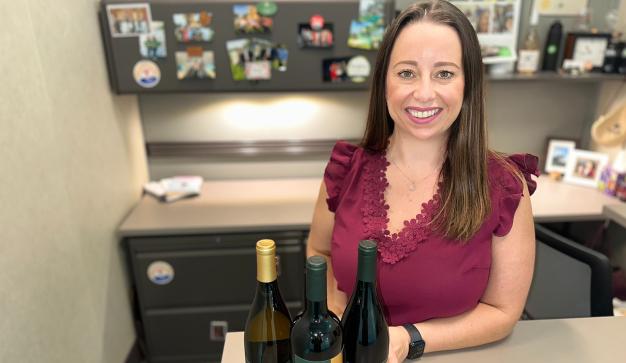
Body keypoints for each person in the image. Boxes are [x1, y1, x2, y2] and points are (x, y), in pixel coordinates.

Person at [306, 1, 539, 362]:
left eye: (444, 73)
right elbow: (319, 251)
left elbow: (503, 311)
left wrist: (408, 339)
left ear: (468, 85)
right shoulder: (345, 170)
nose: (424, 93)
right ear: (384, 81)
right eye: (407, 73)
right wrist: (335, 313)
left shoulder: (504, 187)